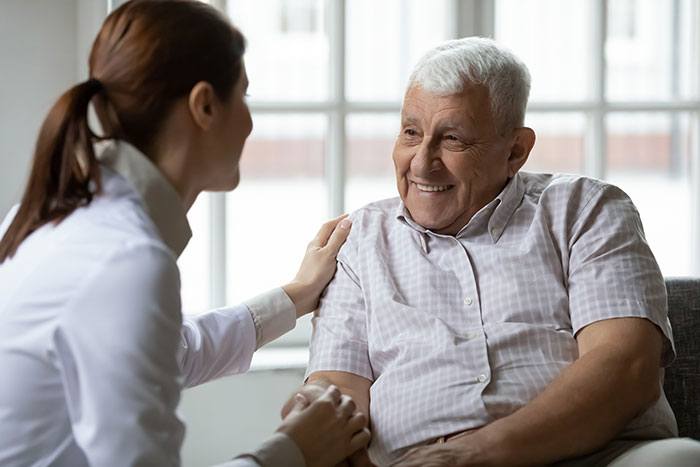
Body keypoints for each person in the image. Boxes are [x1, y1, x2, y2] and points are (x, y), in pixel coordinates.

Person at [283, 37, 700, 466]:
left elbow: (628, 366)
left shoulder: (586, 210)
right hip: (414, 463)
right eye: (411, 133)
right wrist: (314, 405)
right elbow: (338, 389)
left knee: (680, 460)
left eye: (453, 139)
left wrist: (474, 454)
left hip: (596, 456)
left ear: (516, 150)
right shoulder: (360, 240)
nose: (422, 163)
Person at [0, 1, 369, 466]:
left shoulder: (57, 217)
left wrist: (296, 296)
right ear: (205, 106)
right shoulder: (125, 260)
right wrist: (294, 451)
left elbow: (172, 353)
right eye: (246, 98)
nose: (252, 123)